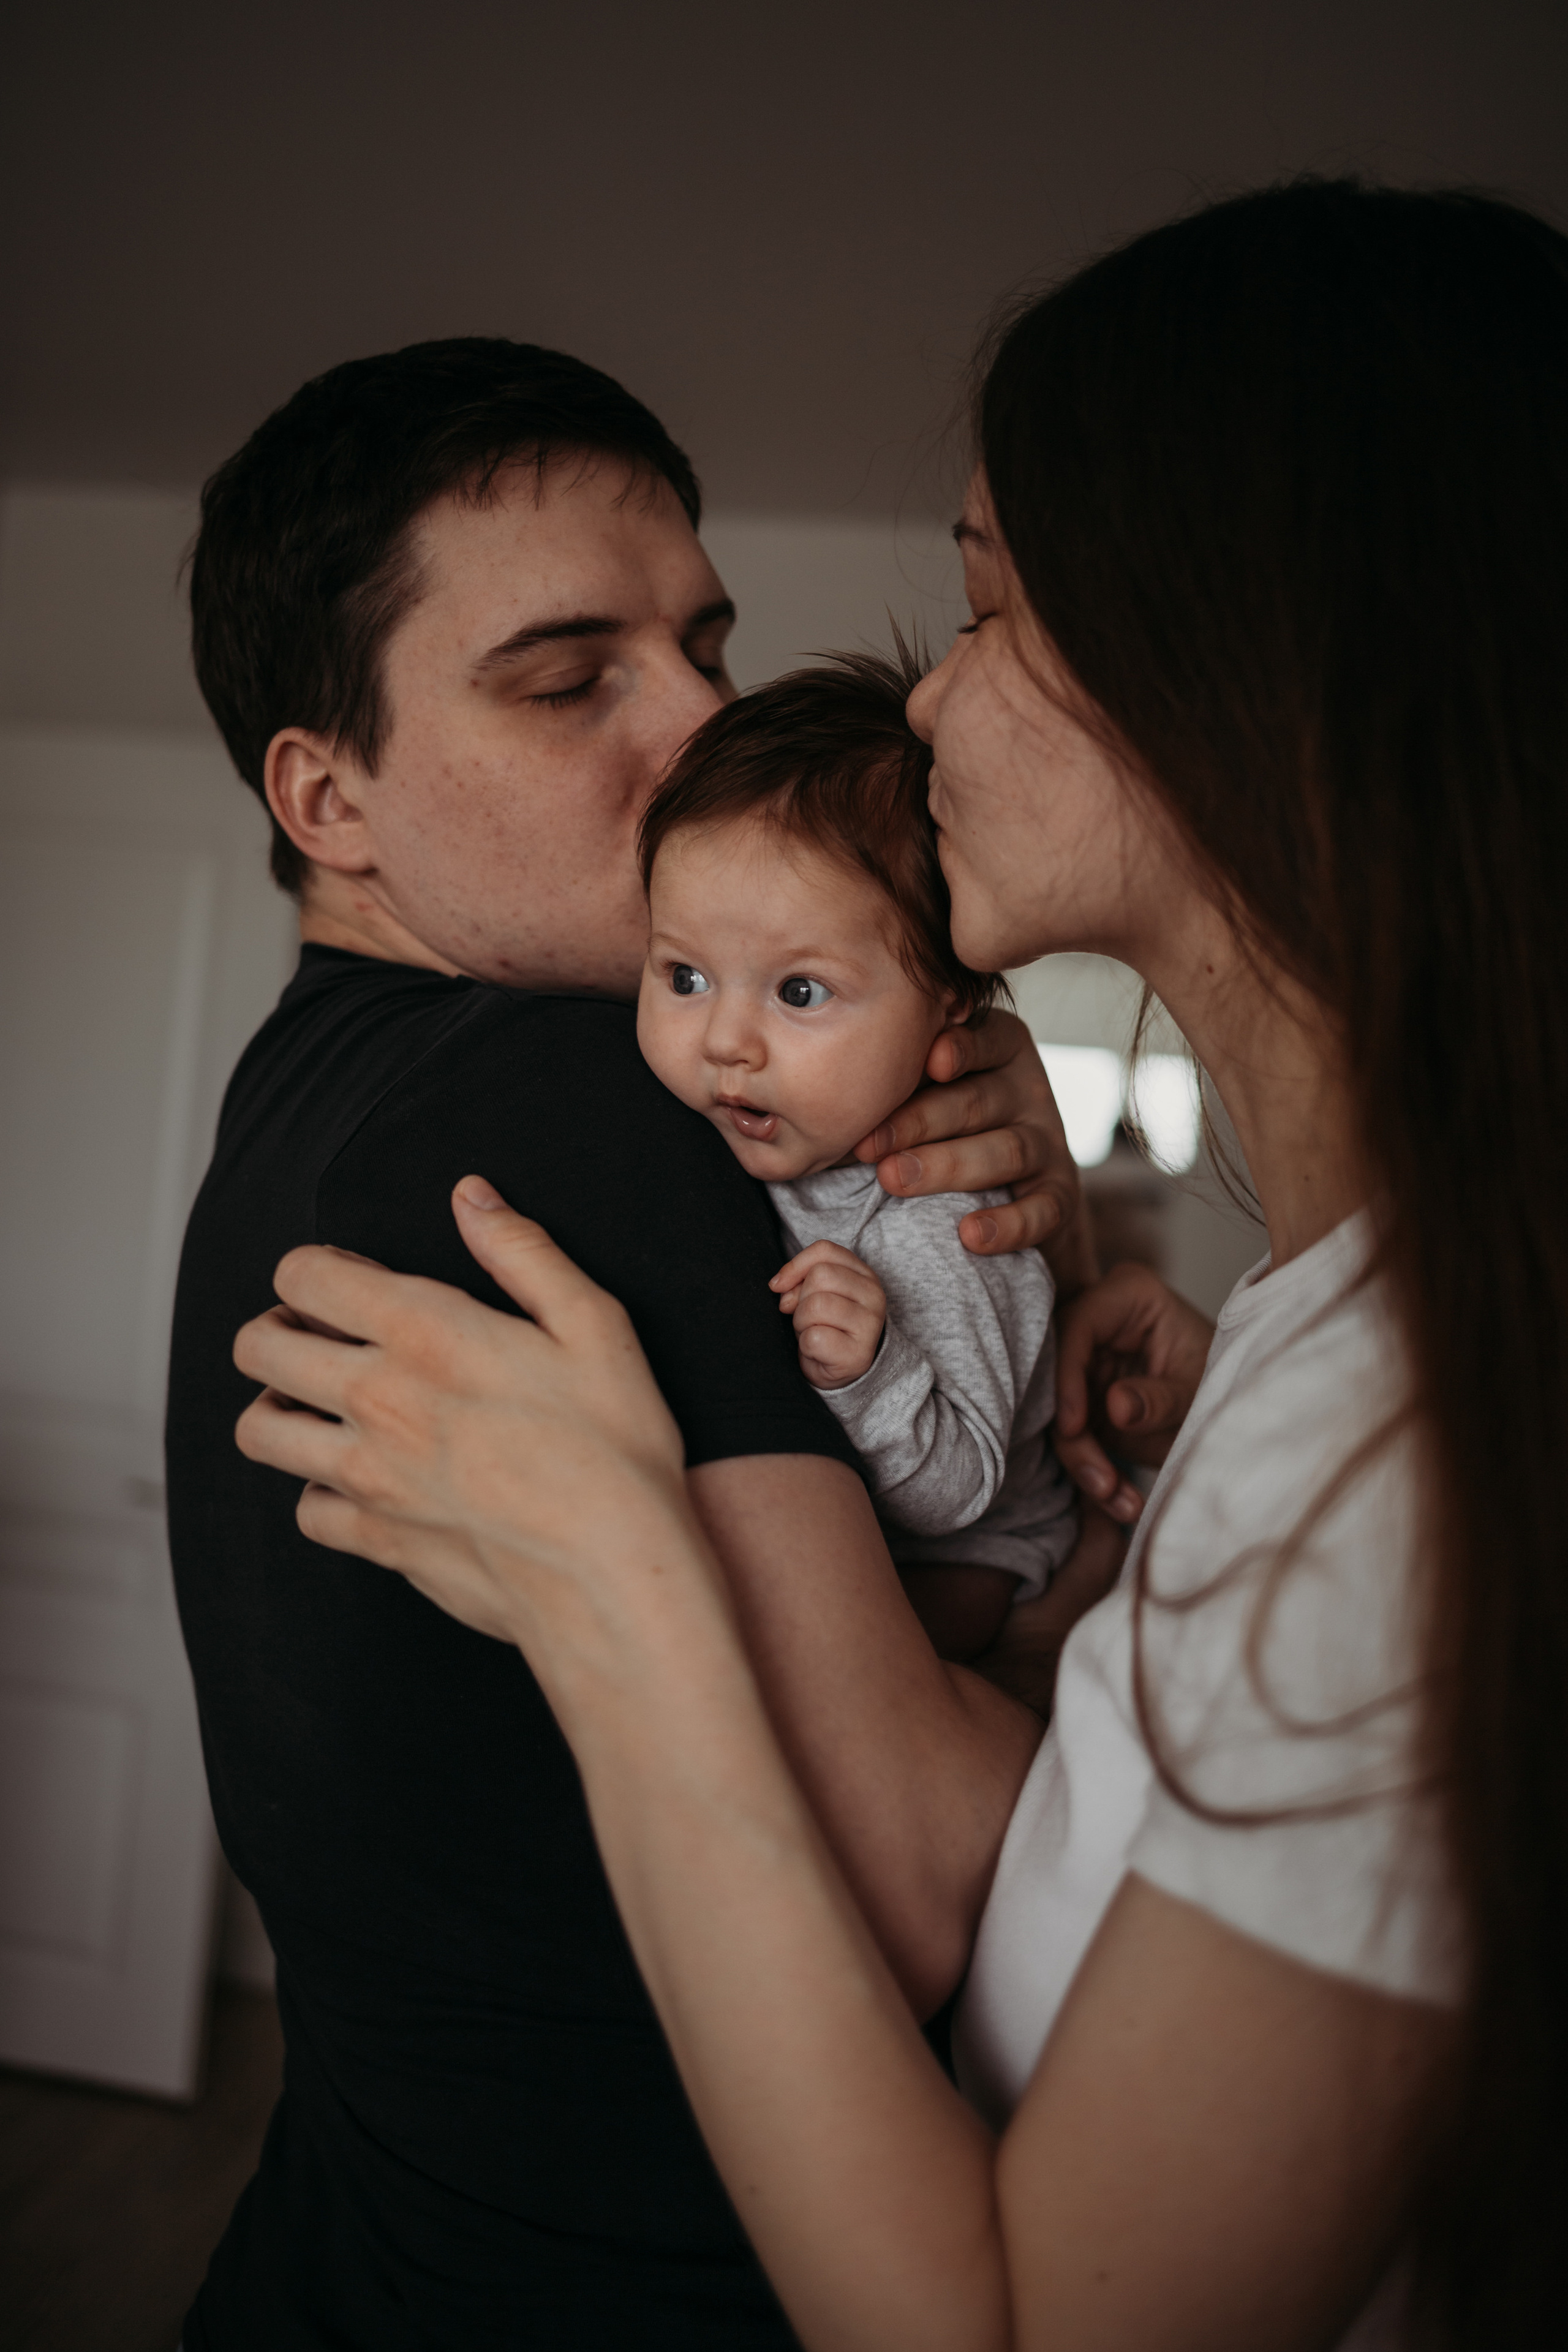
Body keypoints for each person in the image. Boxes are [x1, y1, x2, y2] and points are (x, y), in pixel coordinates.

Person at [233, 179, 1568, 2349]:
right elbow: (1105, 1868)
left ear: (1247, 678)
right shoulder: (1328, 1364)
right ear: (324, 795)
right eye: (571, 678)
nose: (911, 708)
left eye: (992, 615)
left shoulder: (1424, 1440)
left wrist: (623, 1578)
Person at [165, 335, 1097, 2350]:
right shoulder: (567, 1099)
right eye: (570, 679)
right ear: (329, 797)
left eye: (703, 642)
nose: (701, 721)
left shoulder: (308, 1093)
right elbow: (938, 1874)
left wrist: (972, 1158)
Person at [636, 650, 1078, 1659]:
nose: (724, 1044)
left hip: (975, 1556)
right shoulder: (715, 1111)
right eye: (684, 974)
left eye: (799, 993)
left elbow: (961, 1493)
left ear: (949, 1000)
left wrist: (874, 1371)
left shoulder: (946, 1223)